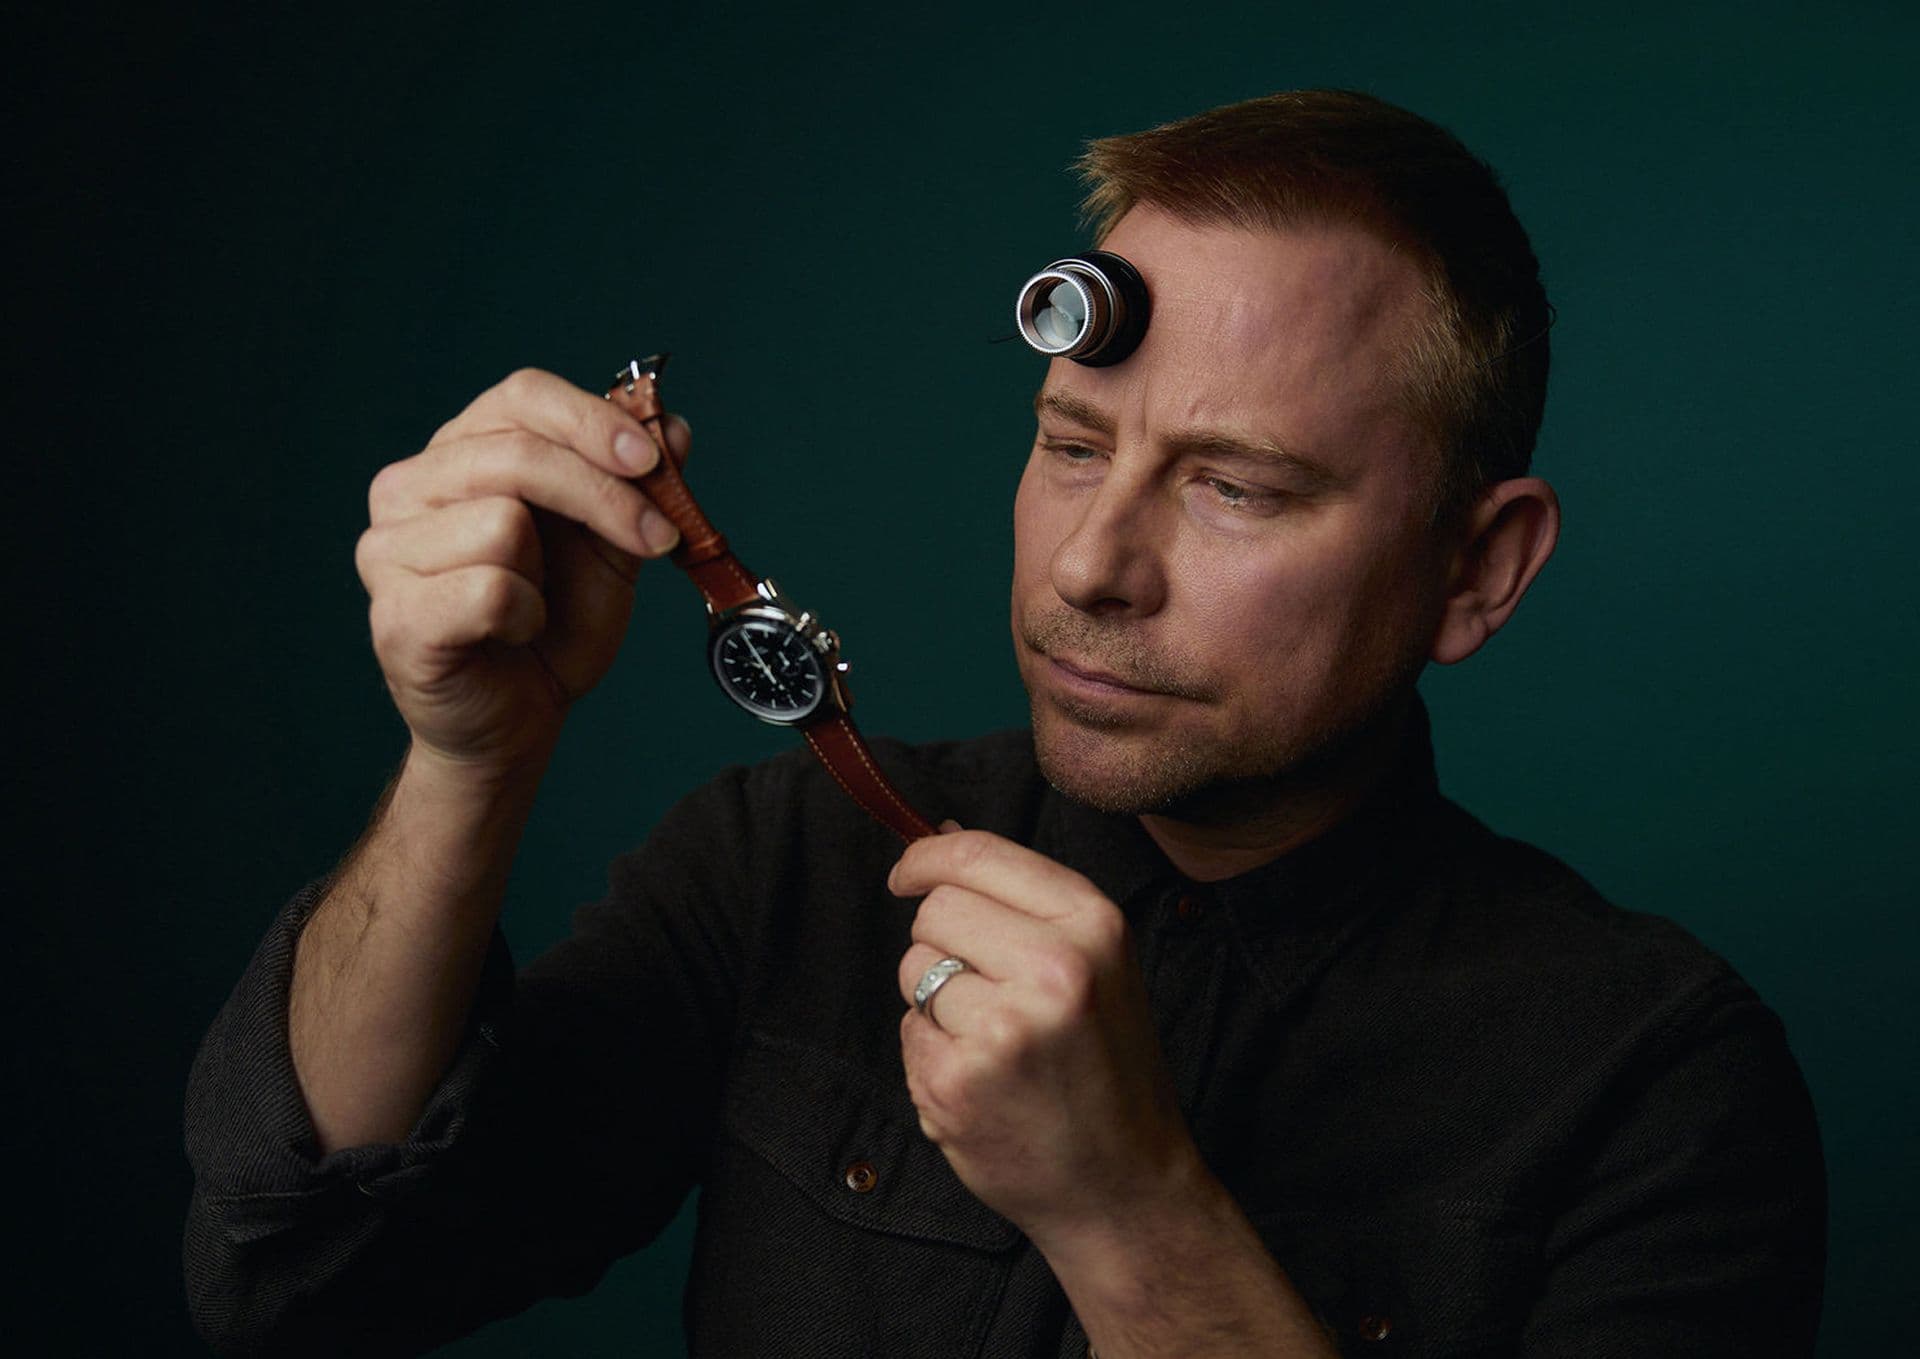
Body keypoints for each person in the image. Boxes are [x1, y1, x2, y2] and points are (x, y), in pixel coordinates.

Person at [183, 90, 1825, 1357]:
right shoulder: (792, 856)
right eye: (1070, 444)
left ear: (1480, 570)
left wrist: (1133, 1216)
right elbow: (293, 1290)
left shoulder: (1655, 1081)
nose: (1097, 568)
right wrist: (473, 763)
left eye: (1237, 488)